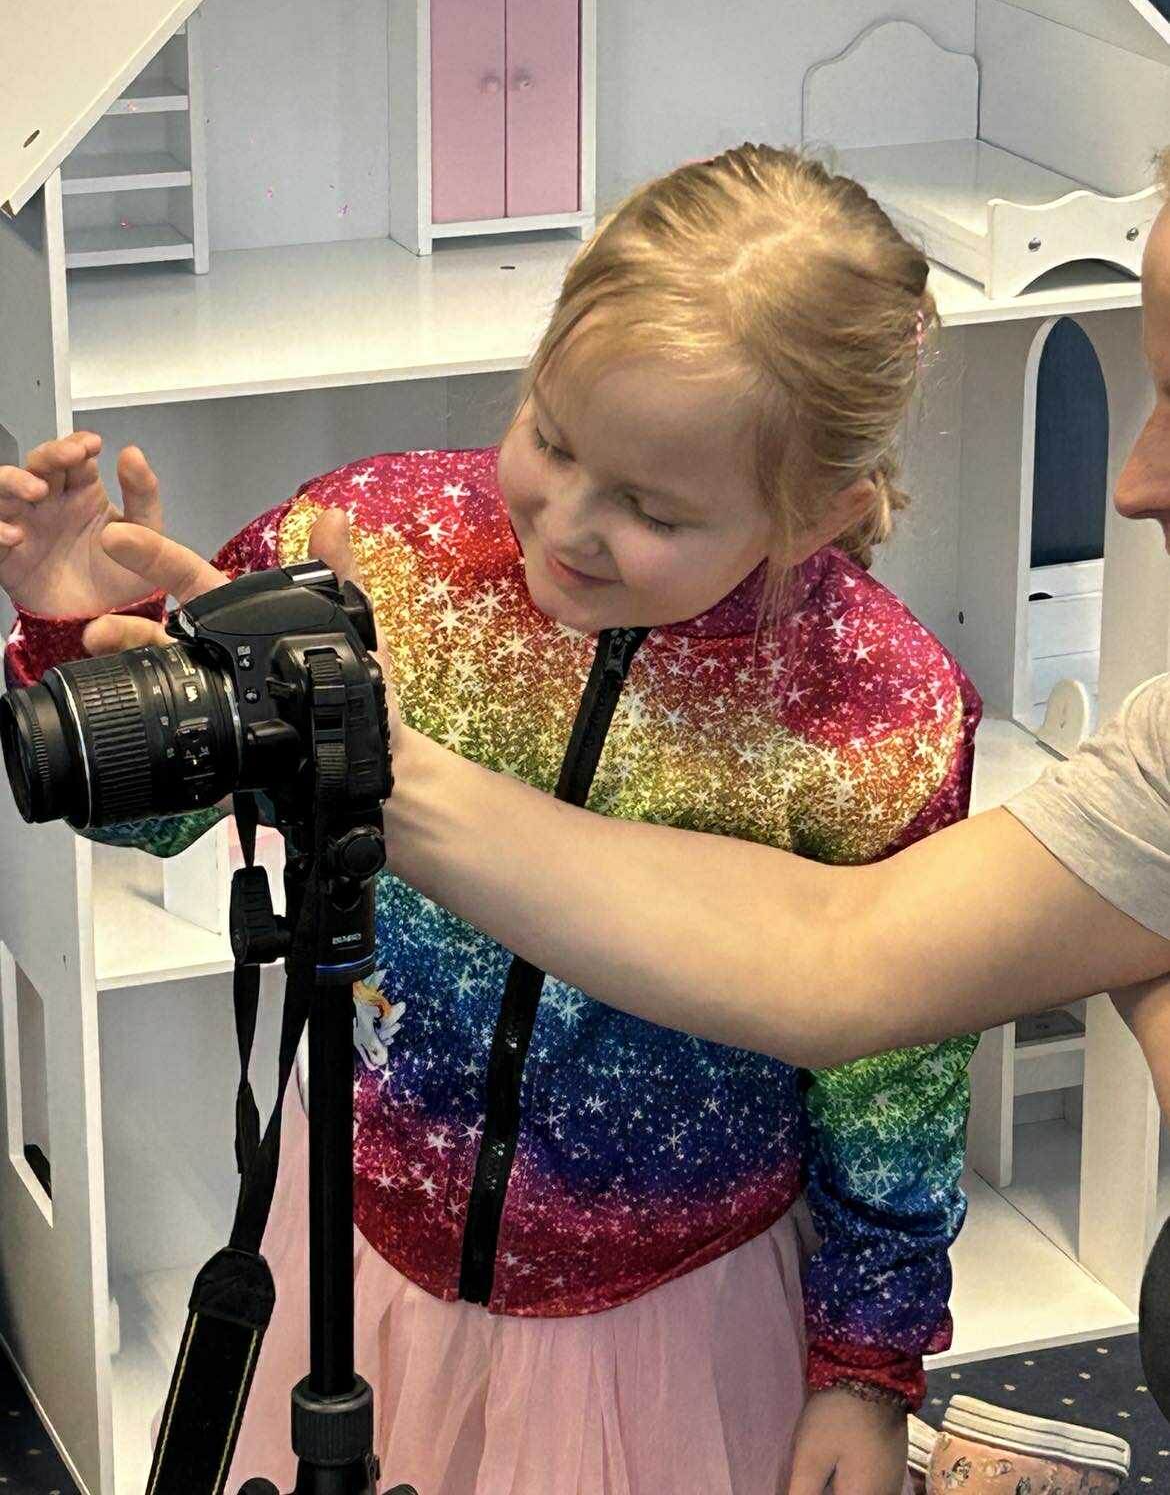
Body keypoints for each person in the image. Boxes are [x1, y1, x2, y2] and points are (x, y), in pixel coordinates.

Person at [0, 145, 986, 1495]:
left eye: (651, 508)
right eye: (553, 440)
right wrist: (81, 635)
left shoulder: (878, 716)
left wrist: (868, 1368)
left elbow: (897, 1073)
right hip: (360, 1255)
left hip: (667, 1320)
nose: (566, 524)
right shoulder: (378, 543)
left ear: (814, 511)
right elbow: (173, 820)